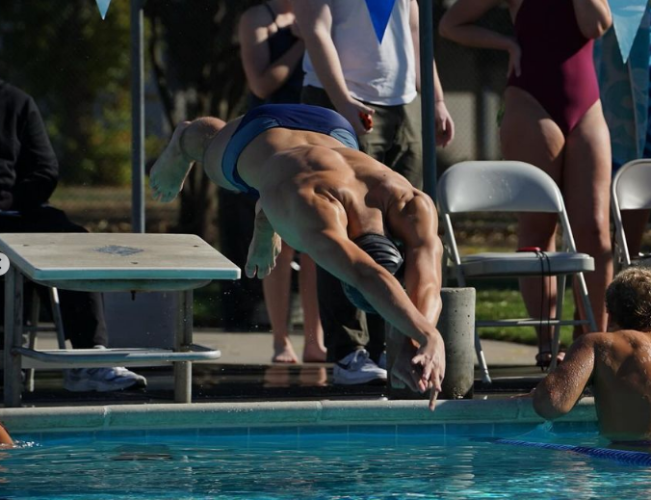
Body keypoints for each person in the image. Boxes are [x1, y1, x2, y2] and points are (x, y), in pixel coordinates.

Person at [150, 103, 445, 409]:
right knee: (208, 143)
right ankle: (182, 138)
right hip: (257, 134)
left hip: (333, 128)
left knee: (281, 195)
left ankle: (268, 222)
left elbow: (427, 283)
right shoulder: (319, 225)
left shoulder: (408, 200)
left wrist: (422, 340)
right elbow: (367, 274)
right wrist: (427, 335)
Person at [440, 0, 613, 368]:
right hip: (531, 102)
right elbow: (451, 24)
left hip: (587, 105)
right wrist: (506, 44)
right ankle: (547, 341)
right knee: (538, 231)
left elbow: (597, 24)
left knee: (595, 231)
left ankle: (593, 341)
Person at [292, 0, 455, 384]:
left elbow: (415, 33)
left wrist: (437, 98)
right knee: (341, 230)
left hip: (400, 108)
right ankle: (349, 350)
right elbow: (315, 29)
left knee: (408, 228)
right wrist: (343, 100)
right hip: (338, 104)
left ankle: (395, 345)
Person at [0, 79, 146, 392]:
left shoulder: (16, 101)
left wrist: (12, 203)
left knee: (75, 243)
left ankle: (89, 358)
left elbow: (44, 170)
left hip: (18, 214)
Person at [239, 0, 326, 363]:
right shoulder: (258, 19)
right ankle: (280, 340)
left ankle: (314, 338)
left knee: (317, 242)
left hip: (314, 131)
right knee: (277, 237)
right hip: (272, 134)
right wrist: (305, 43)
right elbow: (261, 84)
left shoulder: (320, 10)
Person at [533, 266, 651, 444]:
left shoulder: (600, 344)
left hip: (629, 462)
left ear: (609, 313)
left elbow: (552, 403)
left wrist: (546, 389)